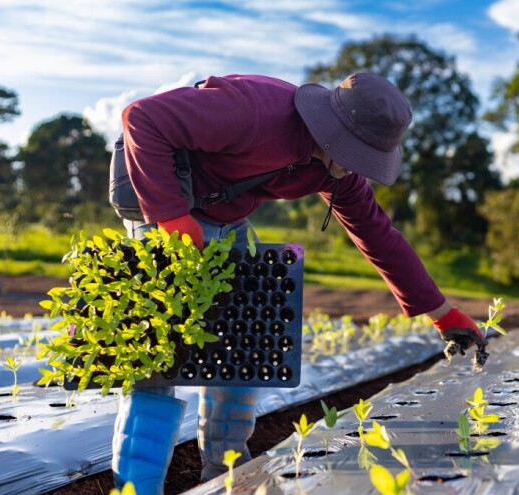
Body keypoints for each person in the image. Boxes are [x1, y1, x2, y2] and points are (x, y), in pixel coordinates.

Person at [113, 72, 487, 494]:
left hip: (228, 217)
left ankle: (226, 474)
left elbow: (377, 234)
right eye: (356, 154)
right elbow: (141, 117)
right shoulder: (253, 112)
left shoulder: (333, 171)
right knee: (158, 353)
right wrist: (170, 214)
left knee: (244, 344)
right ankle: (136, 485)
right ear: (332, 132)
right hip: (164, 201)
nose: (356, 167)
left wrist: (442, 313)